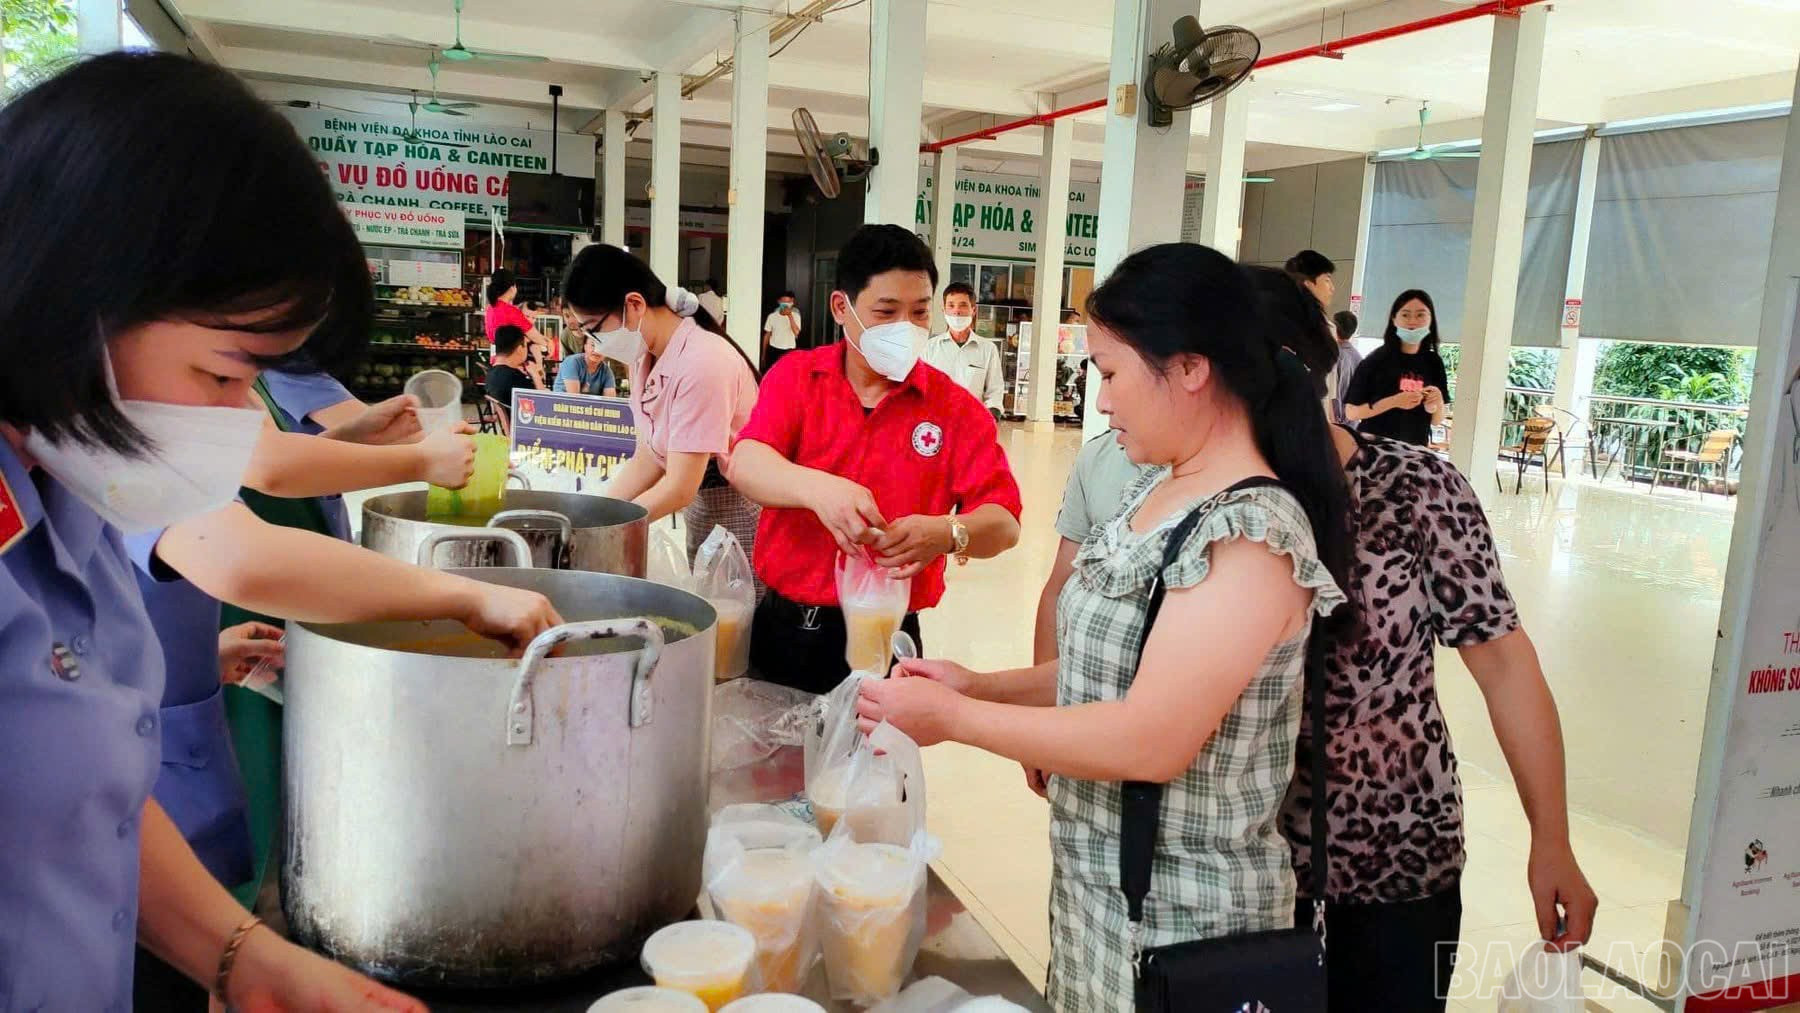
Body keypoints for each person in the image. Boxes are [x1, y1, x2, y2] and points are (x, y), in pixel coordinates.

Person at [0, 51, 423, 1009]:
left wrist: (247, 962)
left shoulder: (74, 491)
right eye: (224, 375)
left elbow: (82, 797)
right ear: (78, 296)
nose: (237, 420)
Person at [855, 243, 1352, 1011]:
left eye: (1112, 374)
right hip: (1099, 899)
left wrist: (955, 718)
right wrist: (979, 685)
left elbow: (1151, 735)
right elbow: (1116, 665)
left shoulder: (1252, 533)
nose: (1103, 399)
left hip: (1187, 925)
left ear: (1190, 368)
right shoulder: (1159, 490)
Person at [1247, 268, 1596, 1010]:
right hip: (1236, 868)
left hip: (1396, 863)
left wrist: (1552, 837)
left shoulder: (1417, 488)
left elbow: (1505, 666)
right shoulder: (1201, 500)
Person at [730, 224, 1023, 695]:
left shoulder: (953, 408)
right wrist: (816, 489)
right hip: (789, 630)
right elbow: (746, 462)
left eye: (920, 311)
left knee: (878, 742)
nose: (906, 327)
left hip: (891, 636)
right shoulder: (798, 377)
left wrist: (947, 533)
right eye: (886, 312)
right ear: (841, 307)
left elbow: (1004, 523)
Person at [565, 245, 762, 562]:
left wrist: (609, 528)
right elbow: (650, 455)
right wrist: (596, 514)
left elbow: (679, 487)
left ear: (634, 304)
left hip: (743, 512)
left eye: (594, 330)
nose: (595, 343)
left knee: (737, 591)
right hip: (706, 506)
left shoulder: (703, 361)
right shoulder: (644, 356)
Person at [1345, 289, 1451, 446]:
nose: (1412, 321)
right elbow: (1351, 412)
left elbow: (1436, 420)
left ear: (1431, 320)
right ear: (1394, 319)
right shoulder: (1376, 360)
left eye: (1420, 315)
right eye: (1405, 315)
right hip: (1376, 450)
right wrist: (1394, 401)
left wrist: (1438, 402)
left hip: (1414, 451)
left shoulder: (1434, 362)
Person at [923, 281, 1006, 418]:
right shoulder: (929, 348)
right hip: (936, 421)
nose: (957, 311)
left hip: (972, 422)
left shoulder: (988, 349)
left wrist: (990, 417)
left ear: (973, 310)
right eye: (951, 305)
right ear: (943, 310)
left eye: (963, 305)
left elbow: (995, 391)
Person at [484, 324, 541, 428]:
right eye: (525, 345)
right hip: (525, 431)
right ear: (519, 349)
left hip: (509, 429)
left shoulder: (491, 374)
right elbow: (544, 406)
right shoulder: (515, 379)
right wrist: (536, 376)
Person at [556, 329, 620, 396]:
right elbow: (574, 397)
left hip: (588, 403)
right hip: (562, 402)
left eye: (602, 347)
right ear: (585, 347)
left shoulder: (606, 371)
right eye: (593, 345)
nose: (597, 350)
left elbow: (609, 399)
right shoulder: (572, 362)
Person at [1330, 309, 1363, 428]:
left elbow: (1335, 393)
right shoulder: (1358, 356)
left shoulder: (1335, 356)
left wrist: (1335, 421)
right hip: (1353, 421)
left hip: (1337, 422)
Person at [762, 290, 804, 371]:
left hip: (789, 351)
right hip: (774, 350)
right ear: (779, 302)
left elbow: (796, 333)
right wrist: (763, 355)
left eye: (789, 302)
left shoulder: (796, 316)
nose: (786, 304)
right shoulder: (772, 316)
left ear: (792, 303)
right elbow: (767, 335)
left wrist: (790, 316)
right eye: (784, 302)